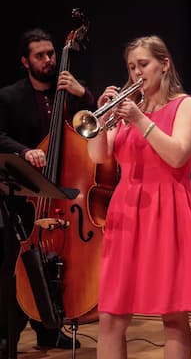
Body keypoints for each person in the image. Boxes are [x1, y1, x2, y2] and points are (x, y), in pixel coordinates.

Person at [86, 35, 191, 359]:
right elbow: (98, 156)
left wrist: (139, 120)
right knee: (111, 316)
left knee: (172, 315)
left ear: (164, 64)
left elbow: (177, 156)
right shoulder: (128, 111)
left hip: (170, 209)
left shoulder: (186, 106)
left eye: (143, 64)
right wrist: (102, 122)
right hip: (127, 211)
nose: (136, 73)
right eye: (131, 67)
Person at [0, 28, 93, 350]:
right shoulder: (10, 96)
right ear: (25, 61)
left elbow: (92, 123)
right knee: (19, 266)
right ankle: (6, 336)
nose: (49, 60)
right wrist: (25, 151)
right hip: (26, 194)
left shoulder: (67, 91)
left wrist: (83, 94)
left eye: (51, 53)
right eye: (40, 55)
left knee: (57, 263)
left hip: (66, 193)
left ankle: (50, 328)